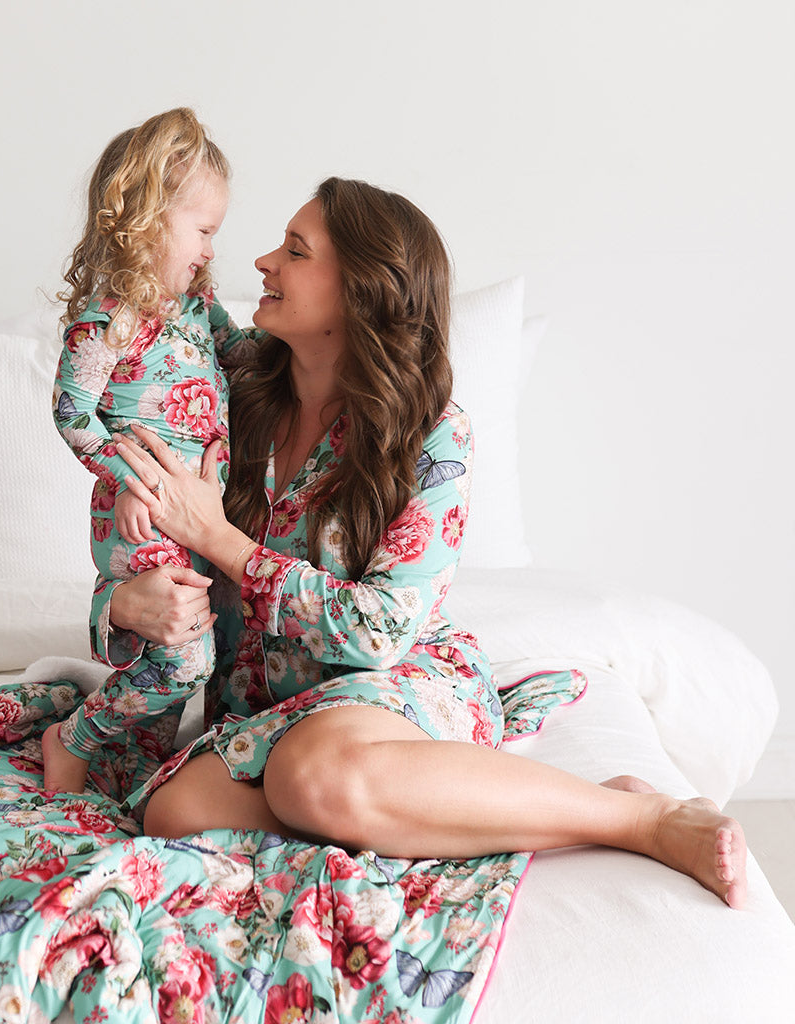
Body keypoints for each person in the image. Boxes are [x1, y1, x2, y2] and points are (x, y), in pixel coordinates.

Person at [102, 177, 747, 909]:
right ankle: (409, 807)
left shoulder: (432, 434)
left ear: (361, 291)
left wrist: (221, 542)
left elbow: (379, 629)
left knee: (309, 775)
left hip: (396, 683)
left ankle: (638, 814)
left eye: (295, 251)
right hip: (265, 707)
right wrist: (126, 601)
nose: (262, 262)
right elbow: (154, 312)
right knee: (174, 812)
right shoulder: (229, 383)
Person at [44, 108, 245, 793]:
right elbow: (73, 412)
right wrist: (127, 477)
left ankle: (130, 762)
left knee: (191, 653)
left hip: (197, 512)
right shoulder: (109, 320)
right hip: (140, 511)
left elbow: (243, 355)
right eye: (205, 231)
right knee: (184, 656)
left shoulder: (198, 307)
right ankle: (72, 740)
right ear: (149, 218)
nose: (211, 249)